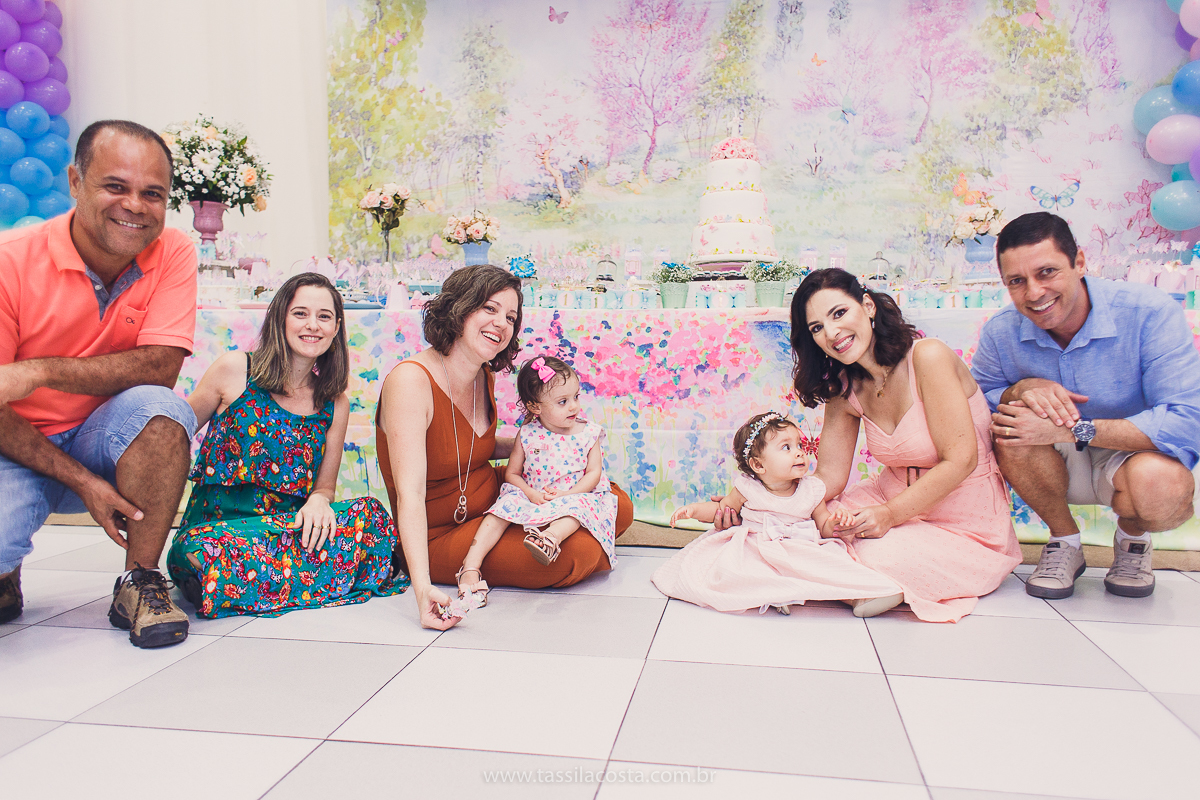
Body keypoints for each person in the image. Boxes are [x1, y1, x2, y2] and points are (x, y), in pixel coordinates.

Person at [720, 268, 1021, 622]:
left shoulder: (928, 357)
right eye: (816, 328)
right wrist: (760, 496)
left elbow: (961, 460)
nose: (832, 333)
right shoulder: (845, 387)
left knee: (878, 553)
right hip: (884, 497)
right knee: (803, 527)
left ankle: (839, 580)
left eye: (839, 313)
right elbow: (829, 475)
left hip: (962, 514)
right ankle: (841, 581)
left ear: (867, 305)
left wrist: (890, 515)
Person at [0, 120, 198, 648]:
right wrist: (83, 482)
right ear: (75, 182)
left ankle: (140, 581)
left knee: (161, 409)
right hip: (16, 444)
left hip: (102, 435)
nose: (135, 205)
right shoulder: (9, 259)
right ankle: (5, 570)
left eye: (152, 193)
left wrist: (39, 370)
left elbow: (161, 367)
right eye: (116, 186)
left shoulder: (174, 251)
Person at [375, 264, 634, 630]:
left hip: (495, 492)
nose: (501, 323)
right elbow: (411, 495)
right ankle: (485, 556)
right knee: (574, 554)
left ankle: (537, 529)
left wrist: (554, 445)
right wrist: (422, 589)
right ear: (459, 307)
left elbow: (472, 446)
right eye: (489, 308)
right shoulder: (410, 382)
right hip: (442, 531)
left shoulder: (483, 373)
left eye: (510, 317)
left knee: (615, 500)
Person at [972, 212, 1200, 599]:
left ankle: (1132, 540)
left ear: (1079, 262)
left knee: (1162, 487)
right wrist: (1021, 388)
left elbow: (1187, 422)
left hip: (1135, 456)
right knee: (1008, 428)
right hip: (1054, 461)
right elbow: (977, 399)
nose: (1033, 293)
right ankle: (1065, 542)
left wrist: (1070, 428)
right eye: (1017, 281)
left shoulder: (1149, 312)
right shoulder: (1001, 330)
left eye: (1047, 272)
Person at [167, 273, 406, 617]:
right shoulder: (235, 369)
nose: (313, 325)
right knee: (200, 550)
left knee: (370, 515)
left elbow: (324, 487)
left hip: (288, 529)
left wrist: (319, 502)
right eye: (300, 313)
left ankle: (241, 583)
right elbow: (173, 437)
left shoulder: (335, 402)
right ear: (280, 318)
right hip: (216, 532)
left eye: (324, 317)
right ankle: (305, 575)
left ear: (337, 327)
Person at [652, 411, 904, 617]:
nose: (799, 452)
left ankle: (860, 596)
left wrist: (838, 521)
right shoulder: (747, 488)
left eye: (799, 446)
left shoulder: (811, 490)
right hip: (758, 545)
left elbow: (824, 525)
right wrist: (693, 510)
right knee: (742, 569)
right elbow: (722, 509)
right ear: (758, 465)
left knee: (828, 566)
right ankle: (774, 594)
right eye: (786, 447)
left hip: (800, 546)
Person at [455, 354, 619, 606]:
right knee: (499, 511)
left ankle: (549, 540)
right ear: (535, 407)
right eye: (563, 402)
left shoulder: (589, 433)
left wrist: (570, 494)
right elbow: (512, 474)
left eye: (576, 397)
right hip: (535, 494)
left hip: (573, 494)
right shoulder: (528, 433)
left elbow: (594, 474)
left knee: (576, 510)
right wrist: (530, 493)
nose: (574, 407)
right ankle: (470, 567)